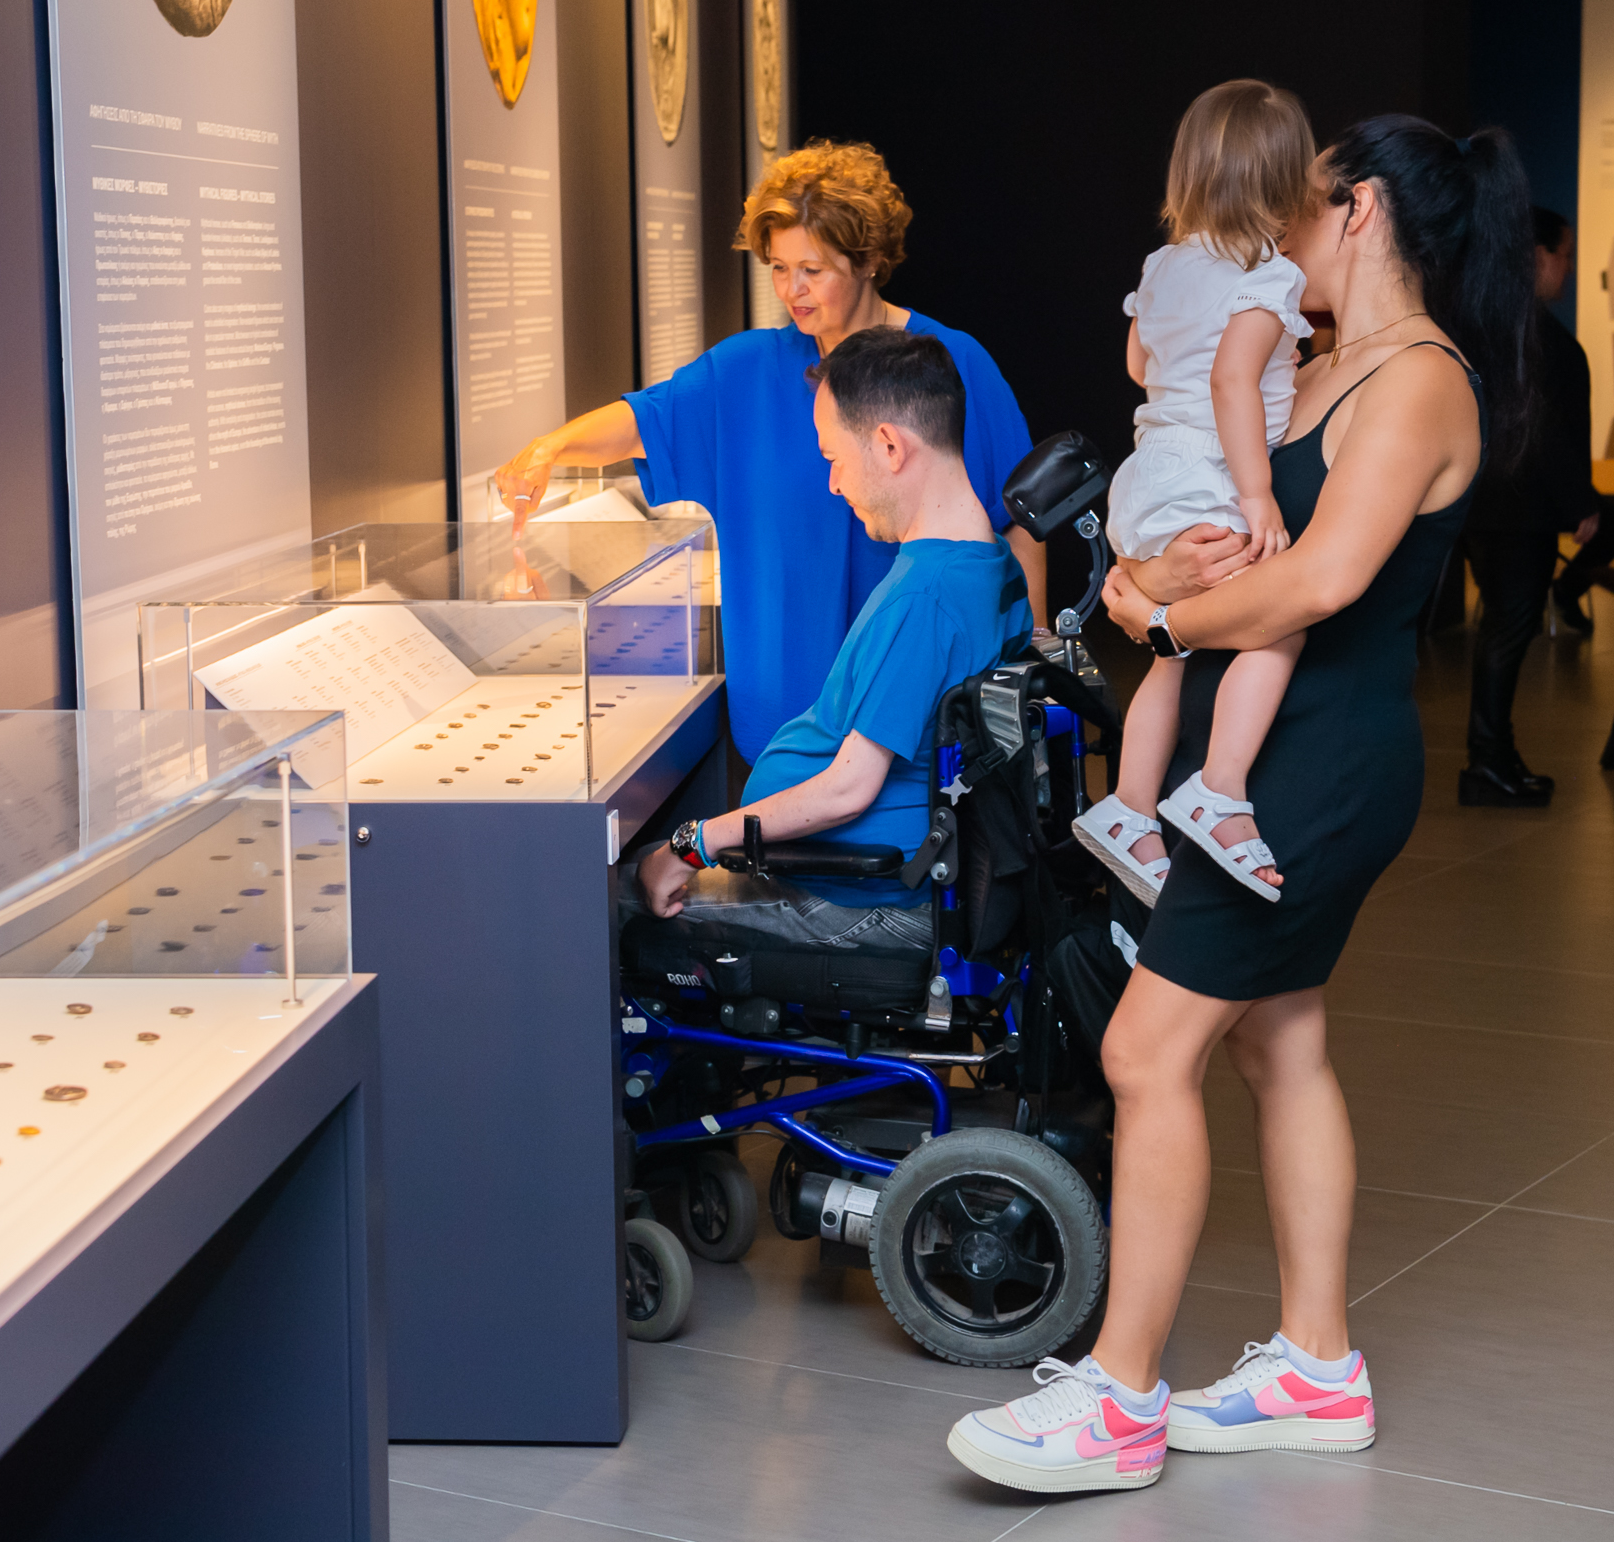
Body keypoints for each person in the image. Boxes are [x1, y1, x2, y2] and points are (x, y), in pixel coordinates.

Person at [946, 116, 1527, 1496]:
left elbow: (1320, 582)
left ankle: (1118, 1398)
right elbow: (1211, 509)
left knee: (1148, 1052)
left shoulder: (1424, 383)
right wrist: (1149, 573)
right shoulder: (1321, 363)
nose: (1275, 226)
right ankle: (1317, 1366)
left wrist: (1163, 607)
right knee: (1279, 1047)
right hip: (1253, 748)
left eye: (1303, 202)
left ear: (1364, 209)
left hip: (1317, 770)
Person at [494, 141, 1042, 776]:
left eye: (813, 269)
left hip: (929, 716)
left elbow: (1020, 520)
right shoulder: (744, 370)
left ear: (867, 260)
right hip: (789, 721)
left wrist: (1020, 667)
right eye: (779, 269)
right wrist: (551, 448)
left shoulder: (953, 362)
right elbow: (647, 420)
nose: (793, 291)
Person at [627, 328, 1031, 943]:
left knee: (612, 903)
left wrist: (691, 846)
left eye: (834, 459)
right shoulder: (991, 565)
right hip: (880, 872)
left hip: (849, 895)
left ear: (890, 446)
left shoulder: (925, 598)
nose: (834, 484)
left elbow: (848, 789)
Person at [1073, 80, 1315, 906]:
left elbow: (1140, 365)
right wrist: (1256, 496)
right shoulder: (1269, 276)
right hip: (1208, 475)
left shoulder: (1165, 264)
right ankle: (1219, 788)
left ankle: (1129, 808)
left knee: (1169, 647)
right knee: (1276, 623)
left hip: (1144, 473)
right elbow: (1230, 380)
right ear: (1286, 182)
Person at [1458, 206, 1614, 806]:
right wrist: (1579, 501)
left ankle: (1491, 757)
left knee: (1502, 628)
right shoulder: (1539, 339)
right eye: (1566, 256)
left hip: (1482, 501)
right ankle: (1488, 761)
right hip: (1519, 507)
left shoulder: (1483, 324)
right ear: (1536, 258)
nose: (1569, 269)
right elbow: (1550, 433)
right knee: (1509, 630)